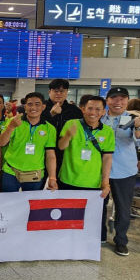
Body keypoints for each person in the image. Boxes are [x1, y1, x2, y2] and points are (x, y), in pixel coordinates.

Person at [57, 95, 114, 243]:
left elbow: (107, 158)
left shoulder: (107, 132)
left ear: (103, 112)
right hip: (68, 179)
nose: (93, 112)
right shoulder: (72, 123)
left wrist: (105, 182)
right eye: (89, 108)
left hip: (93, 182)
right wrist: (68, 135)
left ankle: (90, 243)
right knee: (67, 213)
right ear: (83, 109)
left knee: (91, 216)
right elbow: (61, 146)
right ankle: (66, 240)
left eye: (97, 109)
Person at [101, 87, 140, 256]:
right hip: (100, 171)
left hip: (125, 171)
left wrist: (138, 127)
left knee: (123, 208)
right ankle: (100, 235)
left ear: (127, 101)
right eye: (114, 98)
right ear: (107, 100)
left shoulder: (135, 119)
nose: (118, 102)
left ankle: (121, 240)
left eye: (122, 99)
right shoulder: (100, 118)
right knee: (99, 205)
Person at [0, 92, 58, 192]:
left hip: (35, 174)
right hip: (11, 172)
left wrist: (52, 177)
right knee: (8, 203)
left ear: (43, 107)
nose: (33, 107)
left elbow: (50, 155)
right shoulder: (14, 122)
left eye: (37, 104)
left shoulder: (49, 128)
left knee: (31, 204)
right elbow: (2, 143)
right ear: (25, 106)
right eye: (30, 104)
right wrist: (11, 127)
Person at [42, 79, 83, 171]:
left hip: (66, 151)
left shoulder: (74, 110)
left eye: (62, 91)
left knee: (61, 181)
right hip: (43, 150)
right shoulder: (41, 107)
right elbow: (35, 124)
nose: (59, 94)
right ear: (49, 92)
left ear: (66, 92)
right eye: (56, 91)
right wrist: (50, 114)